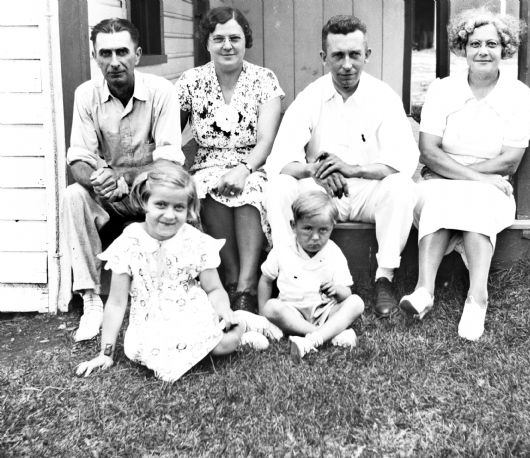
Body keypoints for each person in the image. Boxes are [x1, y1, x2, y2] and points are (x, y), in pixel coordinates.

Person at [264, 15, 419, 318]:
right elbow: (280, 161)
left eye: (354, 55)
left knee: (401, 187)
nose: (347, 64)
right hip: (321, 194)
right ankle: (287, 270)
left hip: (366, 194)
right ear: (324, 58)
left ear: (367, 55)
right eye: (338, 55)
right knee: (280, 186)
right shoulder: (311, 97)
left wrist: (351, 169)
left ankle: (384, 277)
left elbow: (402, 162)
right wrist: (316, 171)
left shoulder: (383, 97)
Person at [75, 161, 282, 382]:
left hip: (190, 316)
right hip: (149, 326)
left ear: (189, 208)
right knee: (138, 352)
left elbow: (214, 289)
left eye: (179, 207)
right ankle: (226, 332)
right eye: (161, 205)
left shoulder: (193, 241)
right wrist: (105, 354)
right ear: (145, 202)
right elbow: (116, 303)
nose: (170, 215)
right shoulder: (130, 242)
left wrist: (223, 309)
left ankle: (241, 327)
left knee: (221, 346)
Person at [399, 8, 530, 341]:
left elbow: (509, 161)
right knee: (441, 198)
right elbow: (428, 151)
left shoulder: (520, 96)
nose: (483, 51)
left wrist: (464, 176)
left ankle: (477, 299)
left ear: (505, 48)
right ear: (463, 47)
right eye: (475, 43)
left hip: (488, 181)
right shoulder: (442, 90)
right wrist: (474, 177)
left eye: (492, 43)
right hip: (446, 180)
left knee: (475, 201)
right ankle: (424, 291)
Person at [63, 18, 184, 342]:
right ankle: (91, 299)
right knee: (73, 195)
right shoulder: (86, 95)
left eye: (122, 52)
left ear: (138, 54)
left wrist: (125, 177)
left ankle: (170, 293)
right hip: (110, 194)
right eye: (105, 53)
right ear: (95, 56)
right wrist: (97, 182)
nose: (114, 62)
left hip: (149, 188)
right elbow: (78, 158)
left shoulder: (161, 92)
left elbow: (170, 159)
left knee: (172, 186)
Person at [176, 7, 284, 313]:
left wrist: (244, 168)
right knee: (207, 186)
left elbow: (266, 139)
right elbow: (170, 133)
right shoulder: (191, 81)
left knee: (249, 192)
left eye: (235, 38)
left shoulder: (264, 79)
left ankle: (248, 286)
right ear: (207, 43)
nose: (227, 45)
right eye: (219, 38)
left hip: (254, 162)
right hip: (207, 162)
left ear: (245, 41)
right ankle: (232, 281)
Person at [258, 191, 364, 361]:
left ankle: (312, 338)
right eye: (307, 229)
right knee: (271, 307)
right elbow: (266, 279)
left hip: (324, 311)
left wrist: (336, 290)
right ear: (293, 225)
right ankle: (329, 334)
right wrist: (263, 315)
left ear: (332, 227)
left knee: (356, 303)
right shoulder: (283, 249)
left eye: (323, 230)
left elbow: (347, 293)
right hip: (293, 312)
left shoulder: (333, 252)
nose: (315, 237)